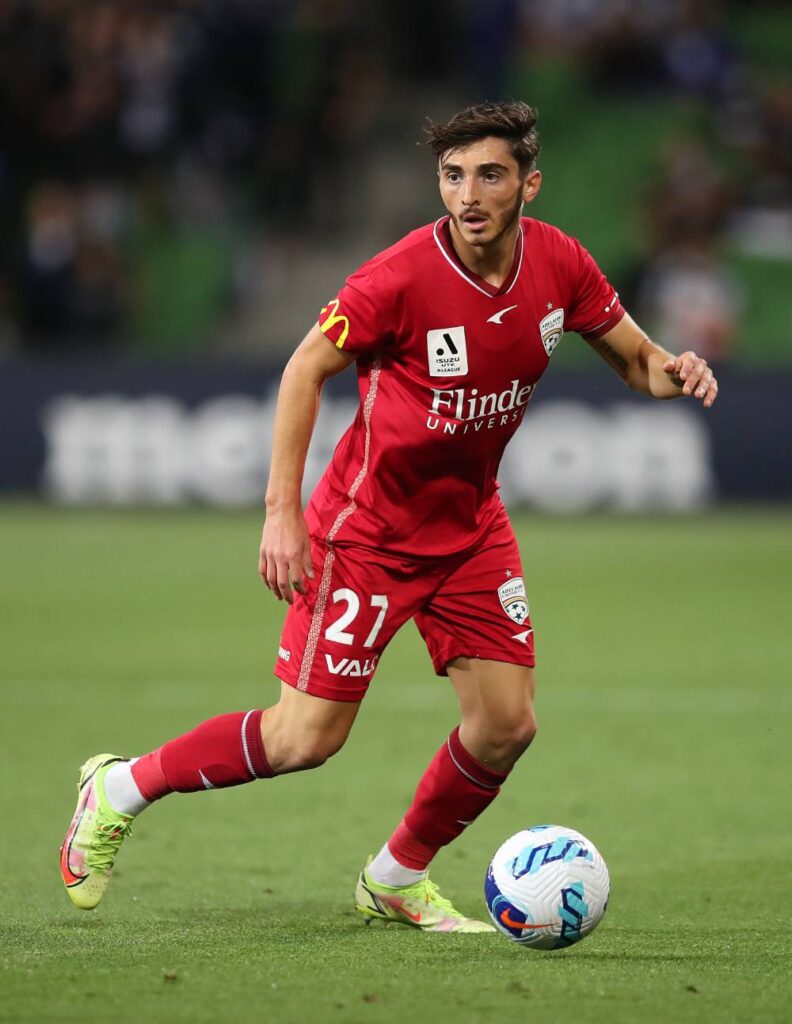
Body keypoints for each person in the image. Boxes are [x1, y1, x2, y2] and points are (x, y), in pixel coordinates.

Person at [60, 101, 719, 932]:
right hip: (367, 534)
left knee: (506, 726)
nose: (469, 194)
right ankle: (119, 786)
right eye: (452, 176)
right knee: (304, 740)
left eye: (489, 174)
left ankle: (394, 875)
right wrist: (281, 514)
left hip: (472, 527)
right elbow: (305, 370)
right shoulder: (399, 277)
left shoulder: (561, 263)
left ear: (529, 183)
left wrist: (676, 369)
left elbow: (638, 361)